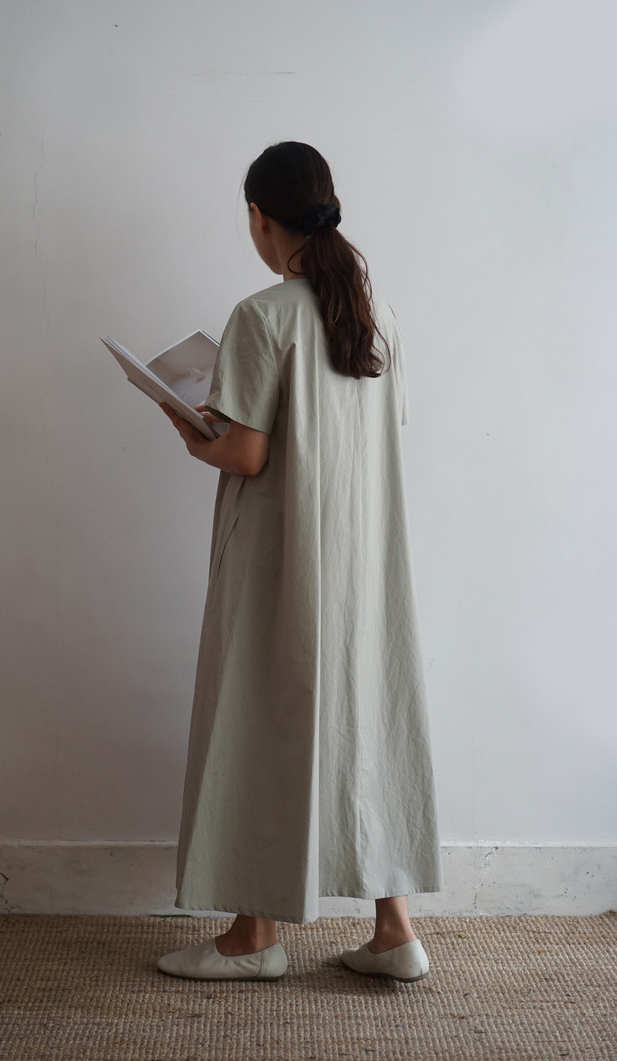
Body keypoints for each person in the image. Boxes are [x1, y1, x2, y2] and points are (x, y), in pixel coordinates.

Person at [157, 141, 443, 983]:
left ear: (259, 216)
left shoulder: (264, 314)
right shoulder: (377, 313)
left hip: (283, 556)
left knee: (261, 716)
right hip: (366, 559)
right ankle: (394, 930)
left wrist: (189, 429)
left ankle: (254, 936)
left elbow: (247, 453)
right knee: (368, 719)